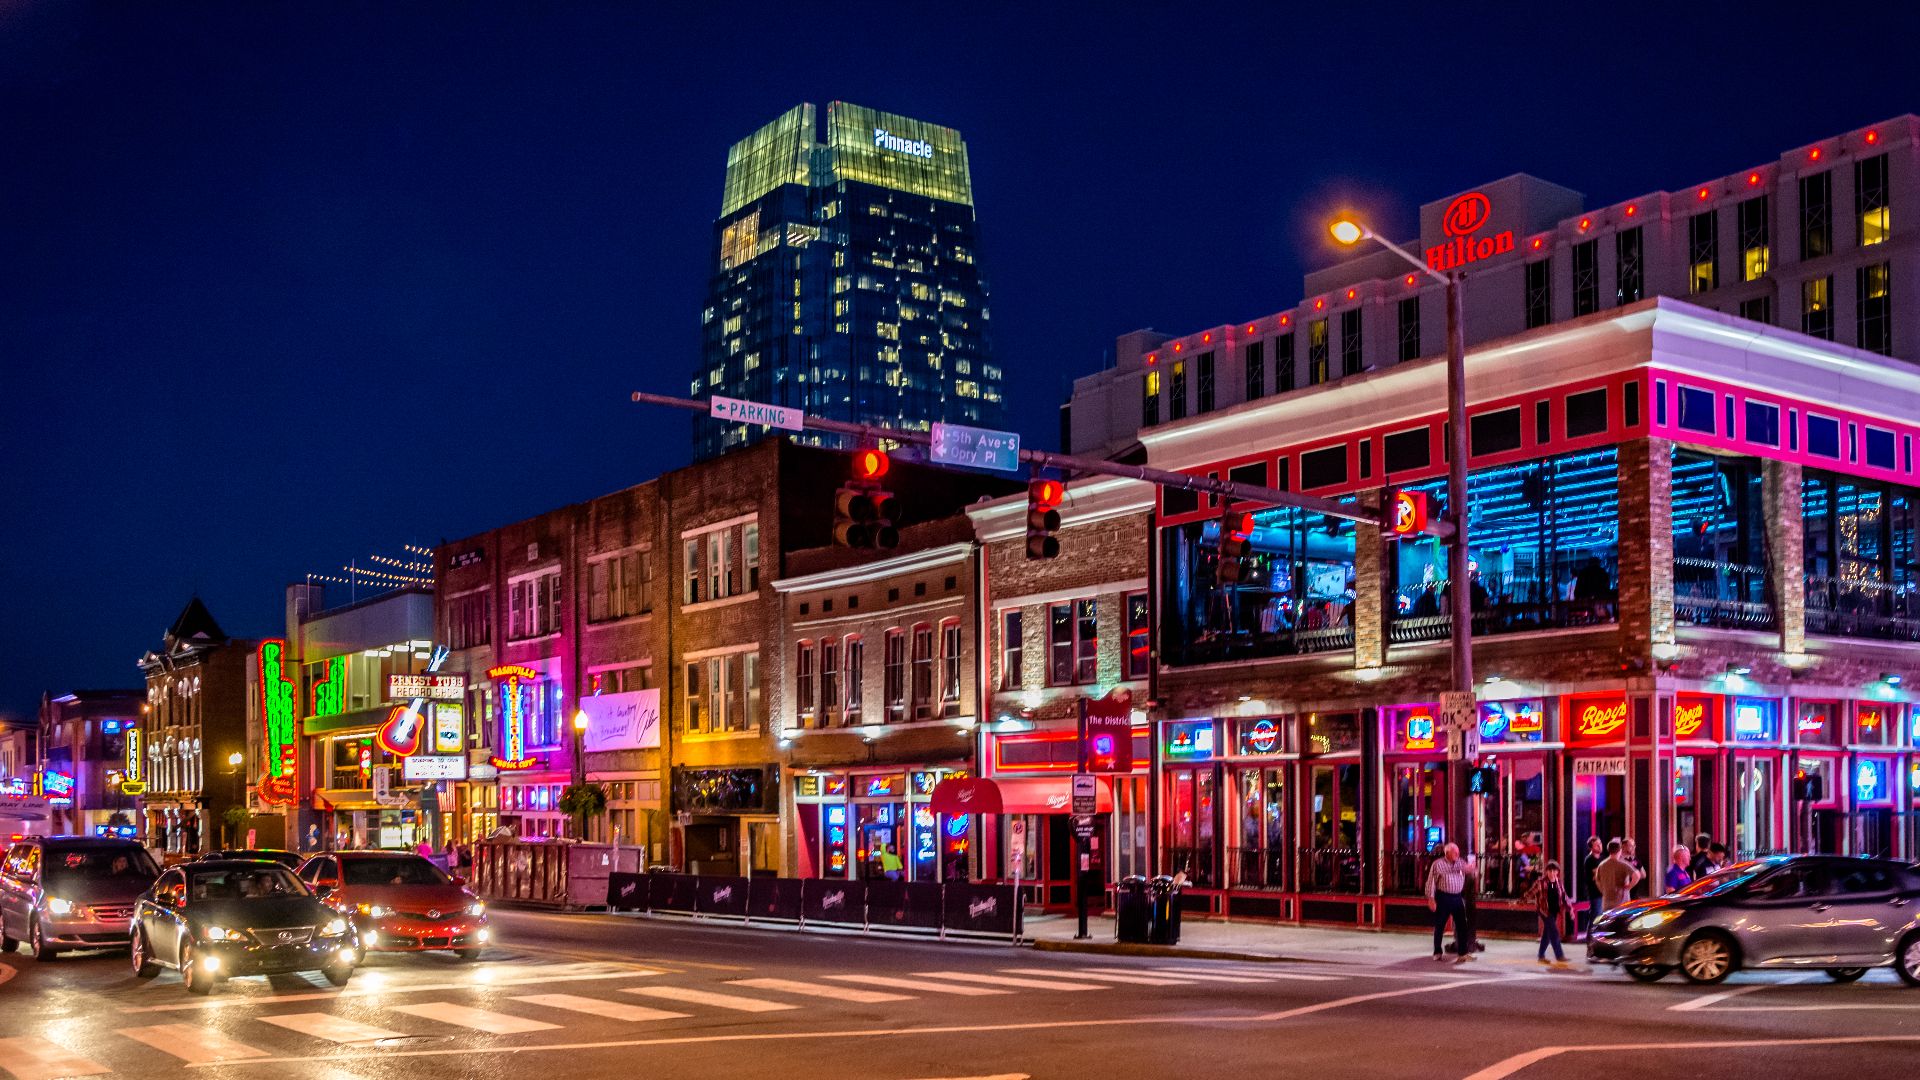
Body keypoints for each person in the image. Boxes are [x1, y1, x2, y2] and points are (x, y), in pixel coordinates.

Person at [1424, 842, 1475, 961]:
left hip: (1457, 897)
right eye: (1454, 852)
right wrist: (1431, 899)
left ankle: (1463, 953)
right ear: (1447, 853)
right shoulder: (1438, 864)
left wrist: (1472, 869)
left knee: (1462, 925)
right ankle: (1437, 951)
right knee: (1440, 925)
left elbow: (1469, 871)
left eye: (1458, 852)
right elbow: (1431, 882)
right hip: (1443, 897)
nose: (1457, 854)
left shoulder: (1460, 862)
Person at [1524, 860, 1573, 965]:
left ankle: (1541, 956)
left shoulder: (1558, 882)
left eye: (1554, 871)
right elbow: (1530, 893)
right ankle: (1559, 956)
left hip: (1554, 910)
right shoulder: (1540, 882)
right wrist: (1521, 901)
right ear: (1546, 871)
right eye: (1550, 871)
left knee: (1547, 934)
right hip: (1544, 911)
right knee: (1554, 932)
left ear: (1557, 872)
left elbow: (1564, 896)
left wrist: (1570, 909)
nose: (1552, 873)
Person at [1594, 839, 1644, 915]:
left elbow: (1597, 880)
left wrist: (1603, 890)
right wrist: (1629, 887)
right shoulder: (1623, 864)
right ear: (1620, 850)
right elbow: (1637, 875)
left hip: (1606, 903)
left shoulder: (1601, 865)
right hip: (1622, 903)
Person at [1576, 837, 1605, 941]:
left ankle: (1597, 937)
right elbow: (1598, 874)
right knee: (1595, 915)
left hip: (1603, 892)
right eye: (1597, 845)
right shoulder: (1589, 860)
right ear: (1591, 848)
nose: (1600, 846)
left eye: (1600, 843)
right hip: (1595, 892)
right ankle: (1590, 938)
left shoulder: (1602, 859)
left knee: (1600, 916)